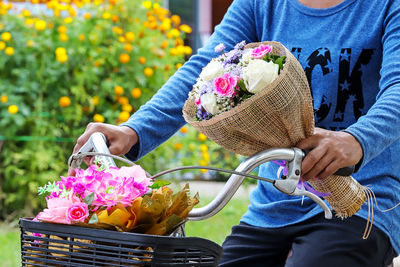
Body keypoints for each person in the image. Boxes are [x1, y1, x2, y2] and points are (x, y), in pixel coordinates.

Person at [71, 0, 400, 266]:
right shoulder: (262, 3)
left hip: (364, 202)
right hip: (276, 201)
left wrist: (358, 140)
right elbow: (204, 70)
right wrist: (134, 130)